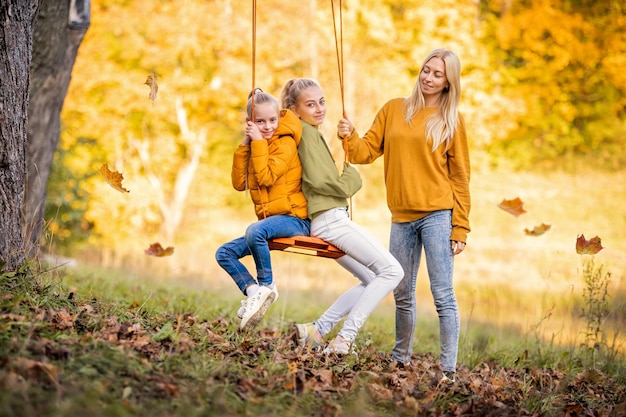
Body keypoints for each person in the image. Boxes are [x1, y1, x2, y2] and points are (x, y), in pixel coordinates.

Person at [336, 48, 470, 381]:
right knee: (402, 293)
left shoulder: (451, 121)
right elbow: (363, 152)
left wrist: (461, 226)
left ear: (448, 82)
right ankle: (400, 361)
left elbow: (460, 177)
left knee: (443, 295)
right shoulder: (395, 109)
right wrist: (348, 135)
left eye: (437, 74)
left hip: (439, 214)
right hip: (401, 217)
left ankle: (448, 371)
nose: (428, 78)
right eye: (426, 70)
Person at [280, 78, 404, 355]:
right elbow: (321, 181)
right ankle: (344, 339)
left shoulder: (310, 131)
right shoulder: (307, 135)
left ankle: (318, 331)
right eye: (310, 104)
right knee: (392, 271)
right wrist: (351, 181)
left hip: (326, 219)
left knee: (373, 277)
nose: (319, 108)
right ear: (295, 110)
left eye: (322, 102)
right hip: (330, 220)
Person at [215, 89, 310, 332]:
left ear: (279, 118)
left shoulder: (285, 143)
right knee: (224, 253)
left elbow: (266, 177)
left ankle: (267, 285)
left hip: (294, 218)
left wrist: (258, 142)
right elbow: (239, 184)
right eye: (260, 121)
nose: (267, 126)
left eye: (272, 120)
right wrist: (246, 144)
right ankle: (255, 292)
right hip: (272, 223)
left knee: (254, 231)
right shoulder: (256, 143)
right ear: (250, 123)